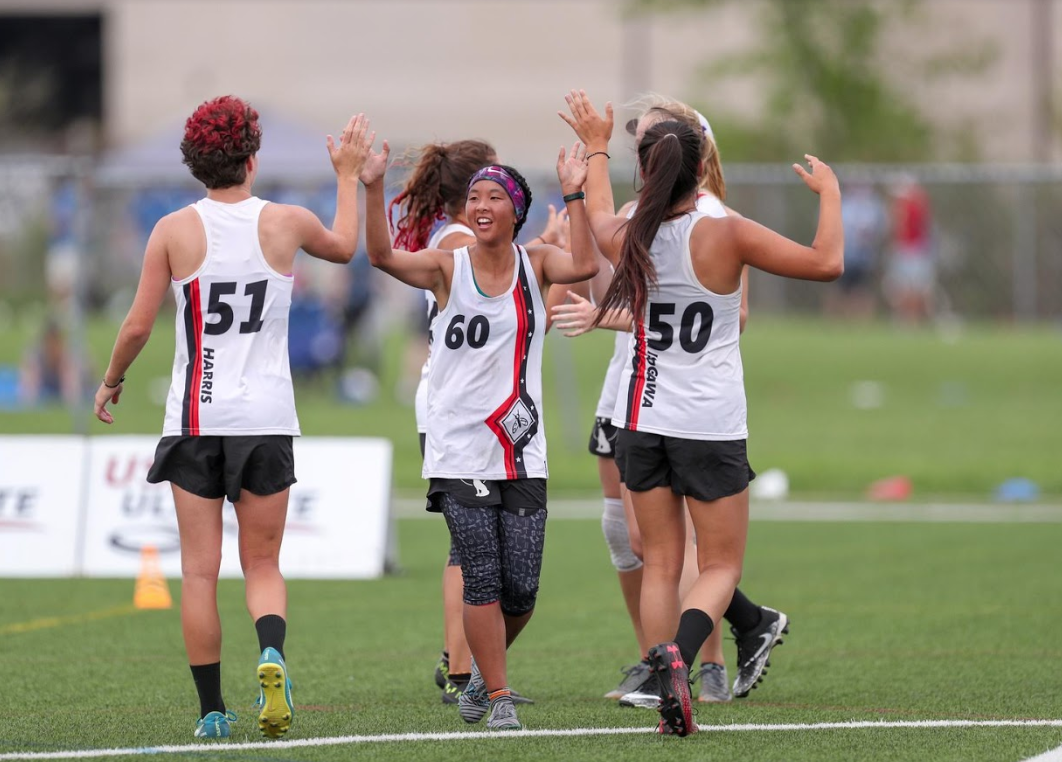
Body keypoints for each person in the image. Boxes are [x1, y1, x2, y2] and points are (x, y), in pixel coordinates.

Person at [93, 95, 374, 740]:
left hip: (195, 417)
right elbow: (346, 246)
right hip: (266, 418)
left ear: (195, 163)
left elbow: (138, 324)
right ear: (252, 155)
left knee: (197, 570)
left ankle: (212, 712)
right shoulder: (285, 222)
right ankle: (271, 654)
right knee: (264, 565)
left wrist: (111, 382)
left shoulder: (172, 230)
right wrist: (347, 174)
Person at [560, 101, 842, 736]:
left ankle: (666, 685)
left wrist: (597, 147)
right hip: (708, 423)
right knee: (717, 566)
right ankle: (680, 660)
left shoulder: (631, 227)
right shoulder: (727, 228)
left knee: (659, 560)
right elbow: (827, 263)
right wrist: (830, 194)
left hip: (638, 415)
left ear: (648, 169)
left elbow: (598, 211)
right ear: (702, 166)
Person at [364, 139, 600, 730]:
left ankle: (474, 674)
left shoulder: (537, 262)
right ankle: (493, 695)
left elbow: (590, 264)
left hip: (521, 446)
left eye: (496, 195)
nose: (482, 204)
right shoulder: (448, 263)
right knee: (483, 577)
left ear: (515, 211)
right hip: (457, 444)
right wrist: (369, 186)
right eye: (475, 196)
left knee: (522, 590)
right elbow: (381, 256)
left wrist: (576, 193)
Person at [828, 182, 886, 319]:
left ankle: (860, 321)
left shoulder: (872, 205)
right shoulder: (842, 203)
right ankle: (836, 319)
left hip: (864, 256)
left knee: (861, 289)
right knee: (840, 288)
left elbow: (881, 228)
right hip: (844, 254)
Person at [884, 175, 936, 325]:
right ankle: (908, 319)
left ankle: (911, 319)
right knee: (905, 289)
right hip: (908, 250)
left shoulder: (911, 205)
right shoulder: (915, 203)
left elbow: (901, 226)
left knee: (911, 289)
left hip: (912, 250)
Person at [20, 319, 87, 406]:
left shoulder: (67, 355)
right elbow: (27, 390)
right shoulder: (36, 355)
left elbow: (74, 392)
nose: (52, 347)